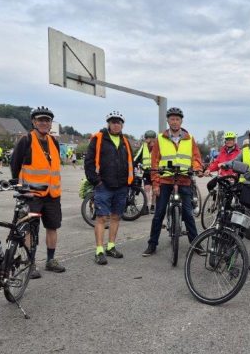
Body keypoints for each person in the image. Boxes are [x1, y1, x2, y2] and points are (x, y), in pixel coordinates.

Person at [10, 107, 65, 278]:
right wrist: (19, 187)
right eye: (40, 120)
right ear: (34, 122)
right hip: (32, 195)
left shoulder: (54, 142)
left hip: (52, 195)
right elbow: (15, 165)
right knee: (30, 230)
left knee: (52, 227)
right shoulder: (26, 140)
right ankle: (30, 263)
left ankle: (50, 260)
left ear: (50, 124)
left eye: (47, 120)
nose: (44, 123)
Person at [143, 107, 204, 256]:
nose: (175, 122)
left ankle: (196, 244)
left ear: (181, 121)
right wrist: (156, 183)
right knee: (159, 213)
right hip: (165, 179)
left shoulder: (189, 138)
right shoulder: (160, 138)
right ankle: (152, 244)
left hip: (183, 179)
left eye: (177, 119)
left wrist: (198, 168)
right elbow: (155, 161)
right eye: (172, 119)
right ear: (168, 121)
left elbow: (196, 158)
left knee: (188, 214)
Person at [84, 111, 134, 265]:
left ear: (122, 124)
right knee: (101, 218)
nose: (116, 124)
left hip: (121, 186)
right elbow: (89, 161)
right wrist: (96, 181)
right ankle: (99, 250)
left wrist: (130, 181)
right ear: (108, 124)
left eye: (118, 122)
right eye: (113, 122)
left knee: (116, 217)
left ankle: (111, 246)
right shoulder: (98, 138)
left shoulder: (125, 141)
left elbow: (130, 162)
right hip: (104, 185)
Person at [135, 130, 158, 214]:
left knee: (155, 191)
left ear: (152, 139)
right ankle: (146, 207)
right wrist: (132, 164)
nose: (145, 140)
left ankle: (153, 206)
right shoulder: (144, 146)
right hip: (146, 172)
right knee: (146, 189)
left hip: (156, 172)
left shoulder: (158, 146)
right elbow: (137, 156)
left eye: (146, 138)